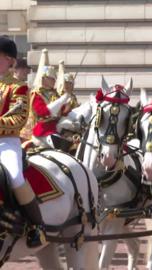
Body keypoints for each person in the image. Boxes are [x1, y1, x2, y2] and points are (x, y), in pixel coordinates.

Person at [0, 36, 44, 247]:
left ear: (10, 61)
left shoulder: (18, 88)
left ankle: (37, 226)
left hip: (6, 142)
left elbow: (17, 119)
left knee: (15, 176)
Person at [30, 62, 72, 149]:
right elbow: (43, 112)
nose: (54, 81)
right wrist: (61, 100)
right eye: (51, 78)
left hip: (57, 128)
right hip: (43, 130)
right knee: (61, 145)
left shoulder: (55, 94)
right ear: (44, 78)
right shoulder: (37, 94)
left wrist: (67, 105)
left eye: (54, 79)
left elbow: (63, 112)